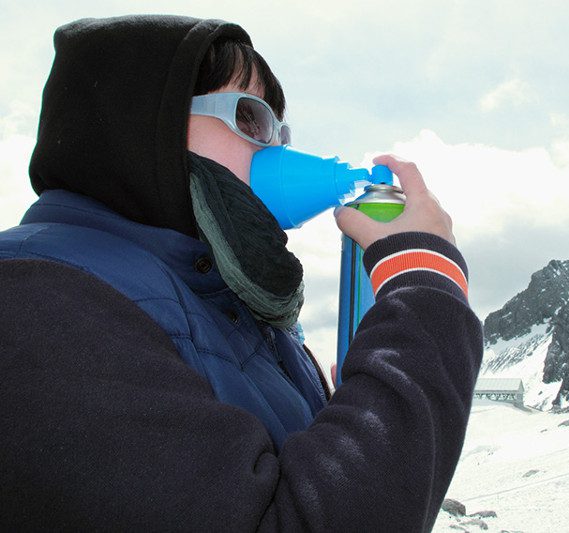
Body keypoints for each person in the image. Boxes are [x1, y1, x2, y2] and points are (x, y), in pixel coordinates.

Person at [0, 14, 483, 531]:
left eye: (281, 129)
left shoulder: (238, 307)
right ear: (141, 124)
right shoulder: (37, 301)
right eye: (251, 119)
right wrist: (424, 279)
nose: (276, 149)